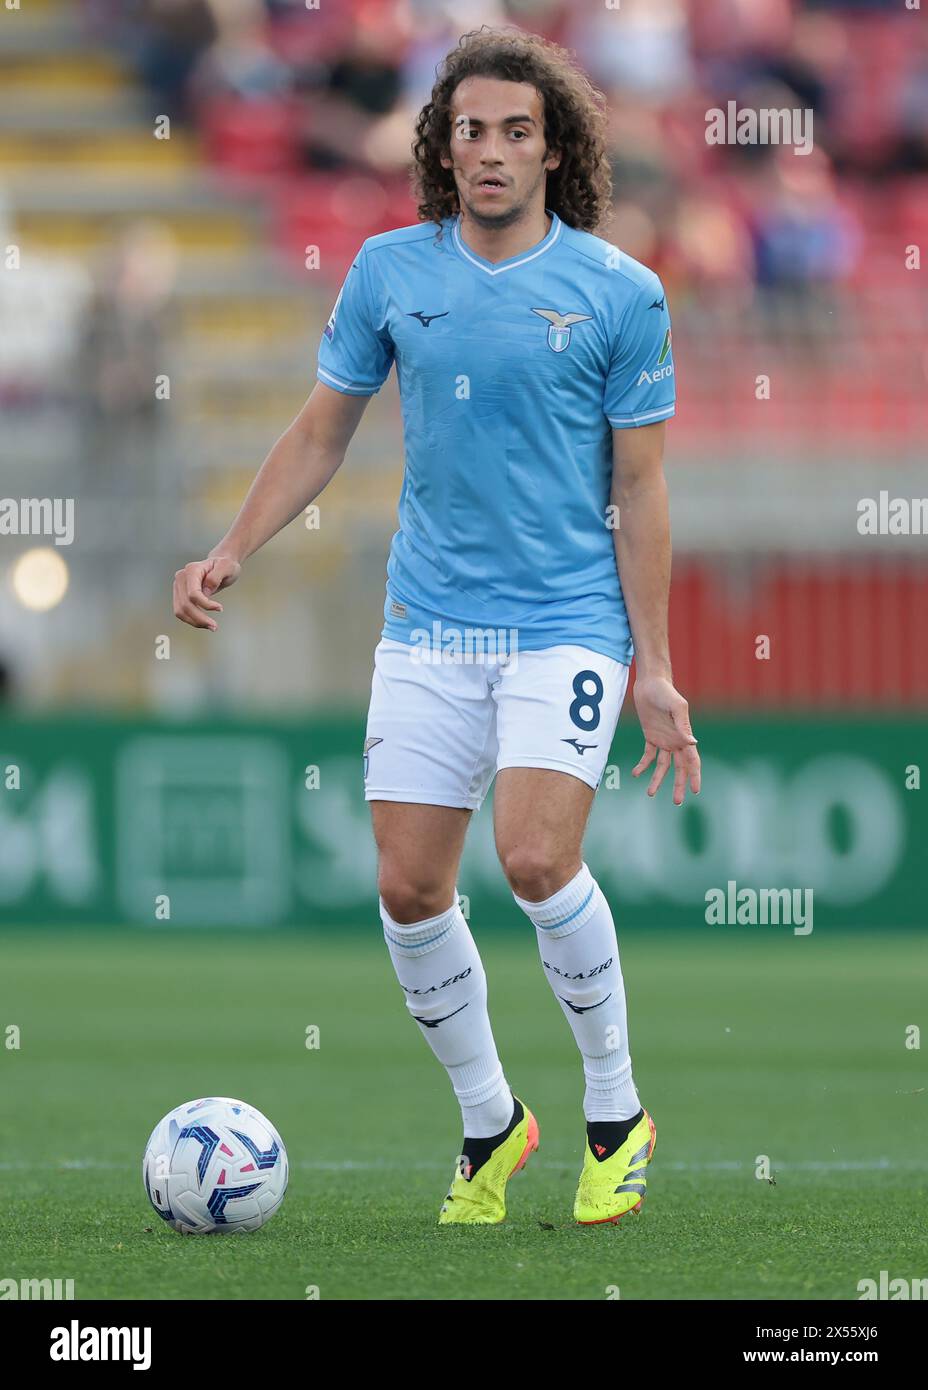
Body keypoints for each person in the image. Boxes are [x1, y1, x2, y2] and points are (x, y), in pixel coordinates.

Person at [174, 26, 701, 1226]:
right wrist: (229, 549)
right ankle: (489, 1123)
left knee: (532, 858)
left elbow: (643, 485)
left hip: (564, 621)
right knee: (410, 888)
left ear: (556, 150)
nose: (493, 151)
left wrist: (653, 664)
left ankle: (613, 1112)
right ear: (441, 146)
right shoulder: (388, 274)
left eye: (518, 130)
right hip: (425, 625)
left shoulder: (620, 292)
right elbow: (321, 432)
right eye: (471, 130)